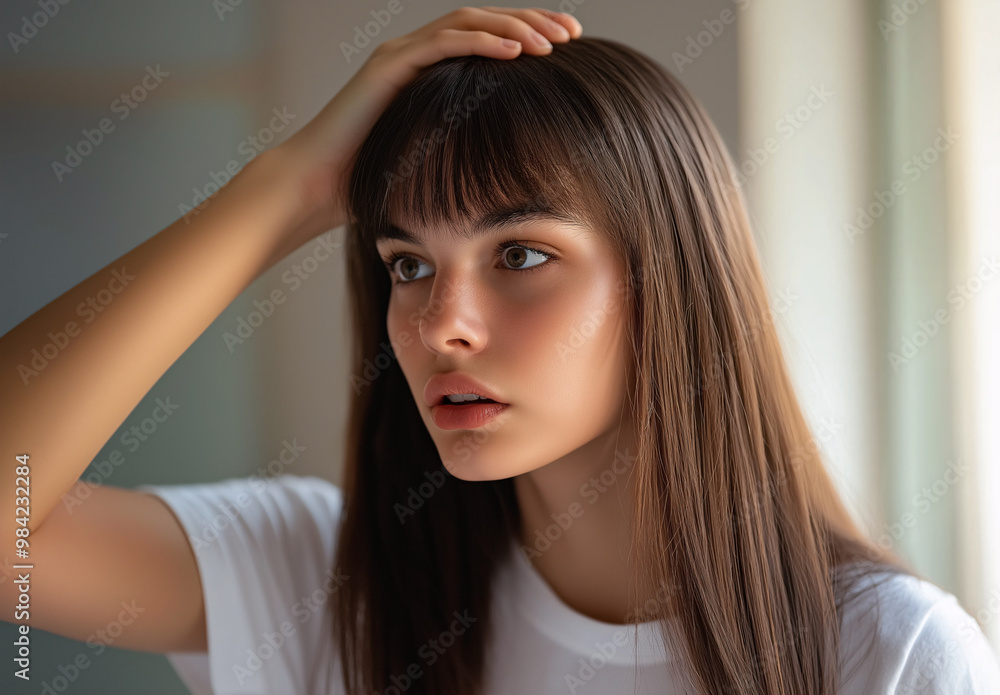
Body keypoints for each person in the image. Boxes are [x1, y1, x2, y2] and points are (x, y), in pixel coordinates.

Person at [1, 5, 998, 694]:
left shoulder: (889, 652)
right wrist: (284, 192)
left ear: (673, 280)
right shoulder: (321, 581)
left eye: (519, 253)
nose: (442, 324)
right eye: (406, 263)